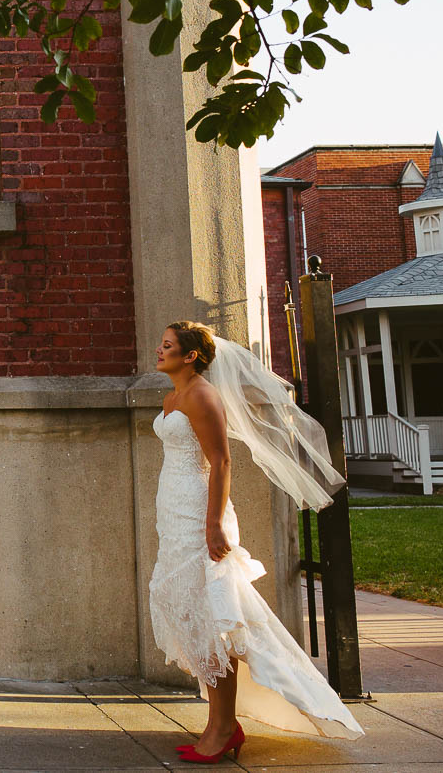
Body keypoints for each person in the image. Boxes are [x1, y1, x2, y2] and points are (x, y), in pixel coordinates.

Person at [151, 320, 364, 763]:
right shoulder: (173, 396)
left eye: (168, 345)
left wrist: (214, 525)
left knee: (216, 621)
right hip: (172, 510)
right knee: (193, 614)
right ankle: (218, 722)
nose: (159, 349)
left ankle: (225, 728)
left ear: (190, 355)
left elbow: (221, 461)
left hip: (197, 512)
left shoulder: (203, 395)